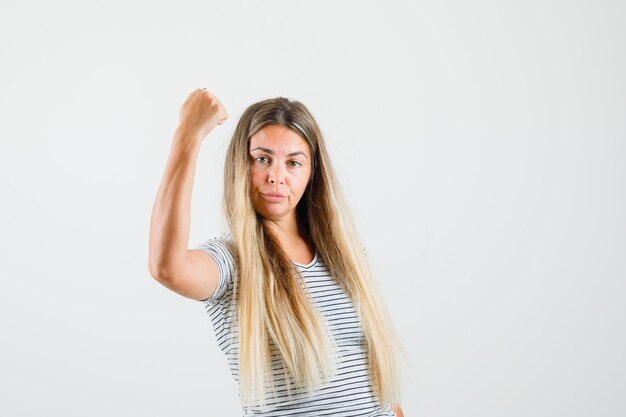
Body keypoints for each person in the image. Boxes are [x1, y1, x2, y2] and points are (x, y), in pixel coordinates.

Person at [149, 88, 406, 416]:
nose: (276, 176)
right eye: (262, 159)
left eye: (294, 162)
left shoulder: (345, 255)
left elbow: (375, 377)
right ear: (241, 166)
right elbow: (167, 268)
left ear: (312, 172)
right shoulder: (232, 260)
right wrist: (188, 134)